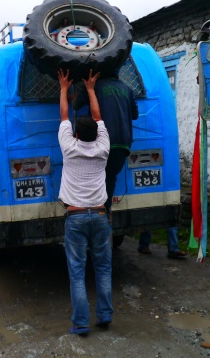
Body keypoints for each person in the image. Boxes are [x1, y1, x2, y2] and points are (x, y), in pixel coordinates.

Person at [58, 68, 113, 336]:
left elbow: (65, 116)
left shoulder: (69, 148)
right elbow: (98, 117)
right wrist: (91, 89)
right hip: (101, 217)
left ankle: (81, 323)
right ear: (96, 133)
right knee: (103, 268)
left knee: (77, 272)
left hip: (76, 217)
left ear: (76, 135)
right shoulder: (103, 149)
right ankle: (104, 315)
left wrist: (64, 87)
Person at [72, 72, 138, 216]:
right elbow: (135, 114)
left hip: (102, 142)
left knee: (94, 179)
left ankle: (93, 218)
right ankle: (104, 214)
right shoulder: (128, 89)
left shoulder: (94, 87)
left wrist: (80, 89)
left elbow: (76, 105)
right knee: (110, 179)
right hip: (123, 144)